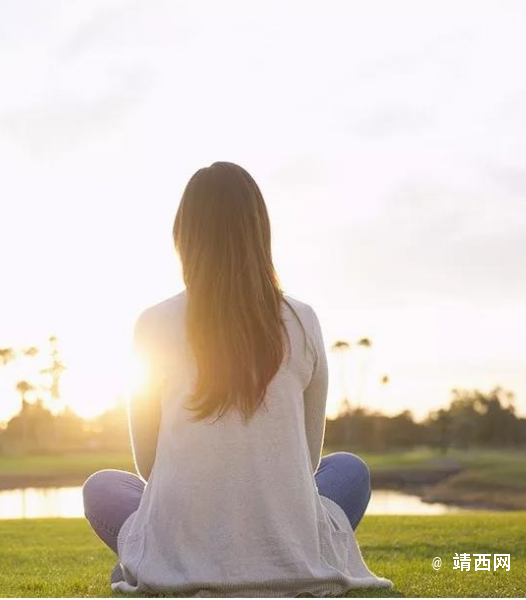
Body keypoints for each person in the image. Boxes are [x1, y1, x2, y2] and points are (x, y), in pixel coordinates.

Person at [82, 162, 393, 596]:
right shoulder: (302, 320)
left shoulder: (152, 323)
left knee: (102, 488)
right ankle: (270, 552)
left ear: (184, 237)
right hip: (283, 533)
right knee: (349, 471)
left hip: (184, 536)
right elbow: (305, 462)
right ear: (258, 234)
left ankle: (155, 559)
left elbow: (150, 466)